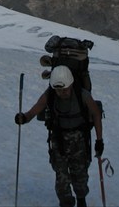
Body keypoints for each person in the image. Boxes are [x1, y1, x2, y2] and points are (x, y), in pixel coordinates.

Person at [15, 66, 103, 207]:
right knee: (61, 179)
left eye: (65, 89)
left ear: (71, 84)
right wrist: (24, 118)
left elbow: (96, 114)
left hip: (79, 142)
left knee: (80, 177)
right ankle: (66, 202)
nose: (62, 93)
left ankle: (81, 200)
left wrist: (99, 140)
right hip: (59, 141)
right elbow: (34, 110)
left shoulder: (83, 95)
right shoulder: (50, 94)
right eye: (59, 90)